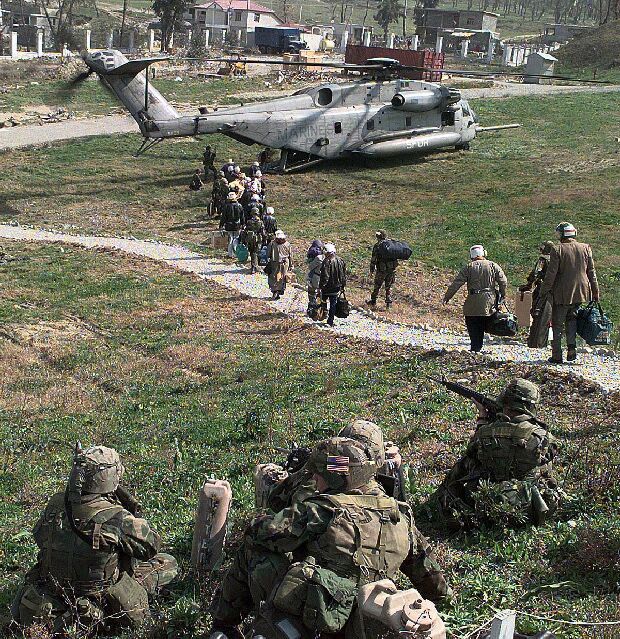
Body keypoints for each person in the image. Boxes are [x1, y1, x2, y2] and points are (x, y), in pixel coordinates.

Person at [208, 436, 450, 639]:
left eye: (318, 475)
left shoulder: (324, 509)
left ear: (336, 478)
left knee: (256, 551)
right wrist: (442, 598)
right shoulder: (401, 514)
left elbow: (262, 533)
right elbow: (431, 576)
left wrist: (263, 516)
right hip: (369, 618)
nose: (314, 480)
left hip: (322, 617)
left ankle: (223, 626)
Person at [12, 445, 178, 633]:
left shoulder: (56, 503)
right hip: (100, 598)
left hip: (53, 591)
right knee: (168, 562)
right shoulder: (116, 517)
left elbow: (39, 538)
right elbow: (151, 546)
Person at [433, 379, 563, 531]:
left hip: (484, 506)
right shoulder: (542, 436)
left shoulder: (485, 433)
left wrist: (484, 420)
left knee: (468, 462)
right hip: (529, 509)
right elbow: (551, 453)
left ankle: (446, 498)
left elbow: (472, 452)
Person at [538, 222, 599, 364]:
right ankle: (572, 349)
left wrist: (544, 291)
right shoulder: (585, 248)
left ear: (563, 234)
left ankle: (557, 355)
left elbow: (551, 274)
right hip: (581, 291)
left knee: (557, 324)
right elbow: (592, 272)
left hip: (562, 292)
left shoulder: (557, 249)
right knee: (572, 320)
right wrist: (595, 291)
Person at [443, 245, 507, 353]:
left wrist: (447, 296)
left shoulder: (468, 267)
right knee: (485, 321)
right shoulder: (493, 265)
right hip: (489, 300)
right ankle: (480, 347)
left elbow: (456, 283)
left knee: (473, 322)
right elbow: (503, 281)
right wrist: (502, 295)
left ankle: (475, 347)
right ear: (484, 253)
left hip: (472, 300)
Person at [520, 241, 554, 349]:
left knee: (538, 315)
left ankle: (535, 342)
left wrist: (528, 285)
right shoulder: (556, 259)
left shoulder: (542, 260)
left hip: (542, 290)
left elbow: (535, 274)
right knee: (549, 318)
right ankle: (543, 342)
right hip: (555, 292)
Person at [367, 229, 398, 310]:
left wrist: (371, 270)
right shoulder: (391, 244)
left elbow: (373, 260)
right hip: (392, 270)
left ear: (378, 237)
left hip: (382, 270)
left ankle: (373, 301)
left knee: (377, 286)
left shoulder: (377, 246)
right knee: (388, 287)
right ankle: (389, 304)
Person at [319, 243, 347, 327]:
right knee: (333, 304)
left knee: (323, 301)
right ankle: (330, 321)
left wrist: (321, 286)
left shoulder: (327, 261)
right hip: (337, 286)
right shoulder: (341, 260)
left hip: (327, 287)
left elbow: (325, 277)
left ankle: (323, 315)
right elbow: (344, 275)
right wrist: (343, 286)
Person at [267, 230, 293, 300]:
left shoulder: (272, 244)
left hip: (275, 263)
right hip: (285, 263)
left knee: (274, 277)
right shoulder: (287, 244)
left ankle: (275, 291)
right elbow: (290, 256)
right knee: (282, 277)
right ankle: (281, 290)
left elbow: (268, 254)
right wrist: (291, 265)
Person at [240, 209, 265, 274]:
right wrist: (264, 239)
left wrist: (244, 240)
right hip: (258, 239)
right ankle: (254, 267)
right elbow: (263, 232)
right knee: (256, 252)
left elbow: (245, 231)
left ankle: (254, 267)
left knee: (252, 252)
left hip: (250, 239)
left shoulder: (248, 222)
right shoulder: (260, 222)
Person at [219, 192, 244, 258]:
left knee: (230, 239)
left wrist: (221, 225)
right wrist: (243, 224)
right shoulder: (239, 205)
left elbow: (223, 217)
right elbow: (242, 217)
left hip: (228, 225)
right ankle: (236, 253)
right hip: (237, 225)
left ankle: (230, 254)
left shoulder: (226, 206)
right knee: (236, 239)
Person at [306, 239, 325, 310]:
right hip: (326, 279)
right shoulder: (331, 259)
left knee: (311, 291)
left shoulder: (318, 258)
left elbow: (310, 267)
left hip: (316, 277)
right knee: (322, 294)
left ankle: (312, 307)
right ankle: (323, 308)